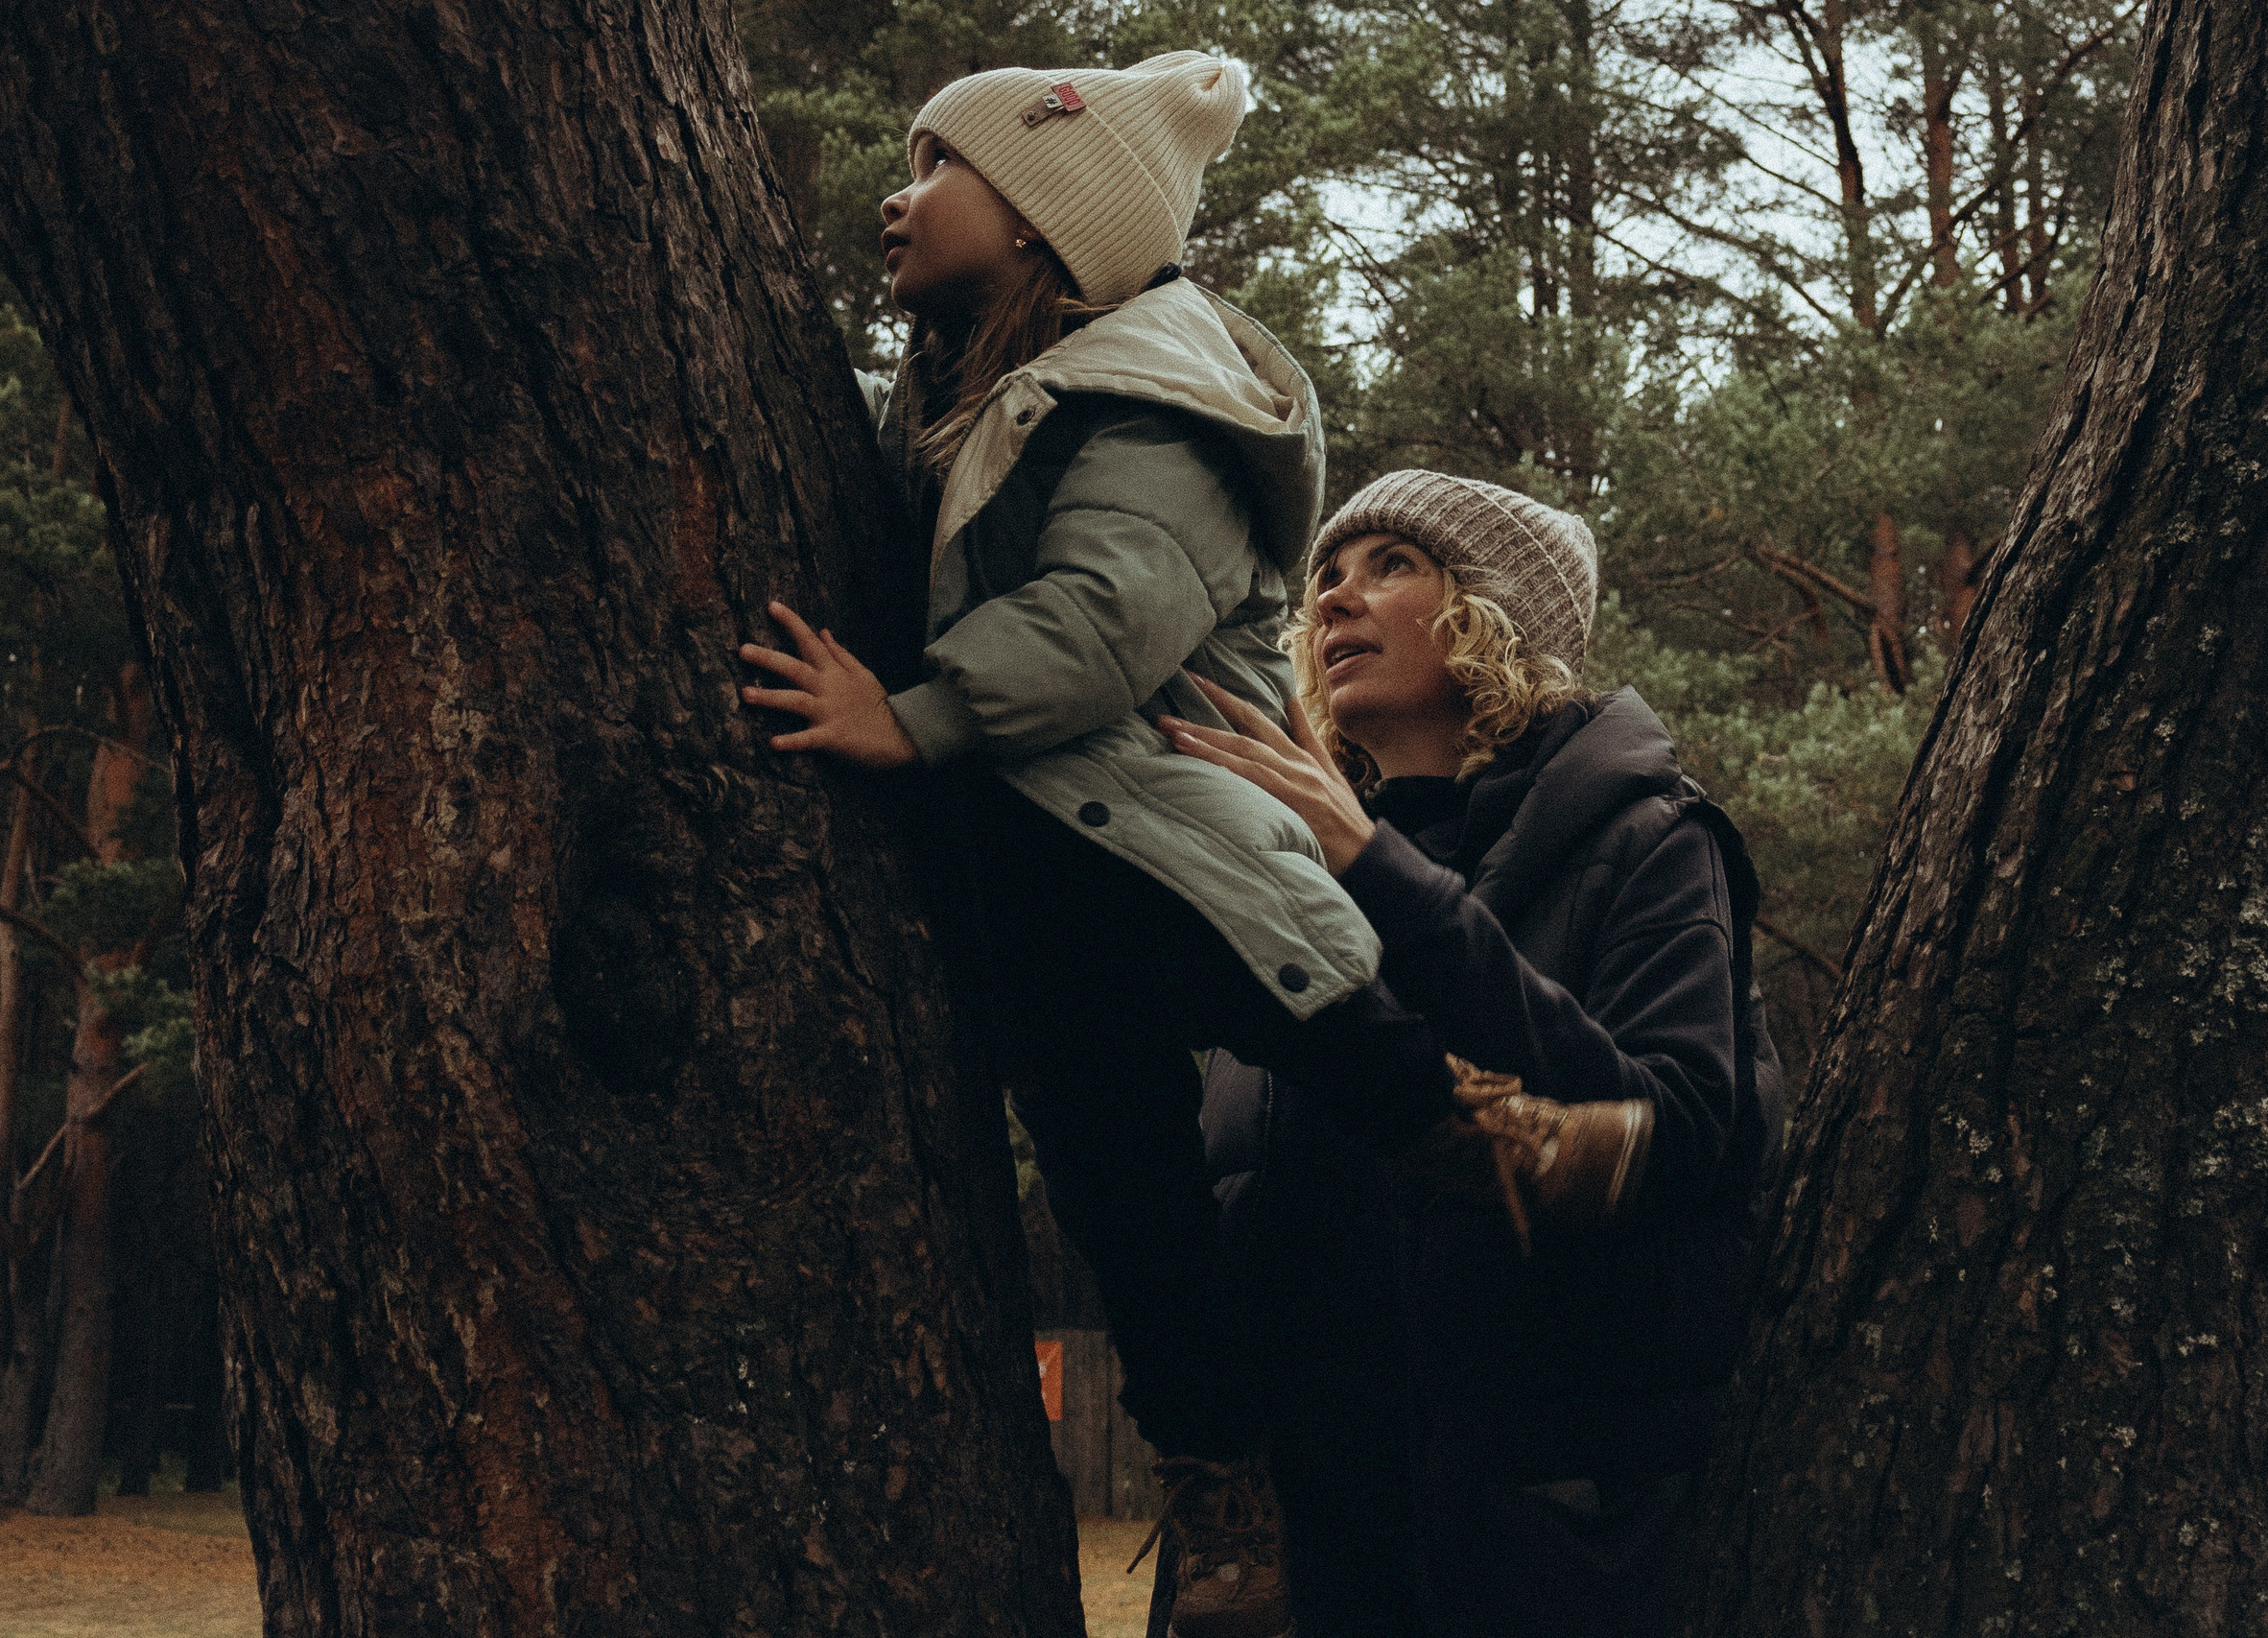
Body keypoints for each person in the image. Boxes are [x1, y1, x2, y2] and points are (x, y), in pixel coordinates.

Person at [731, 55, 1624, 1638]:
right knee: (1126, 1203)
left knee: (1313, 1001)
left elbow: (1106, 617)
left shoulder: (1162, 403)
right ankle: (1216, 1470)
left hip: (1153, 827)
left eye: (940, 168)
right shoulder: (951, 404)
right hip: (1035, 885)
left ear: (1047, 219)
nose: (895, 192)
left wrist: (914, 718)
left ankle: (1498, 1136)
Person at [1166, 470, 1784, 1637]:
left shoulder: (1646, 838)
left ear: (1496, 615)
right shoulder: (1276, 870)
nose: (1332, 599)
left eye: (1391, 564)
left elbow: (1682, 1132)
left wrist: (1381, 872)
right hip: (1308, 1545)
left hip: (1538, 1538)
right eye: (1326, 575)